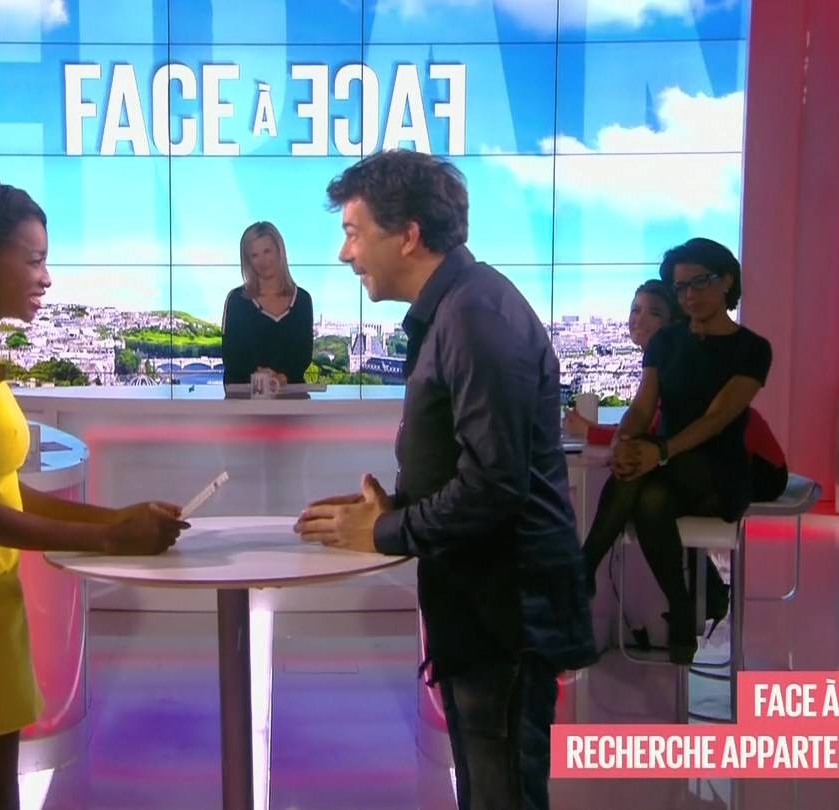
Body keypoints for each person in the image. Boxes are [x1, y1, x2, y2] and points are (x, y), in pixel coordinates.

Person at [294, 151, 593, 810]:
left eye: (354, 232)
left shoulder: (474, 317)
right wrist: (398, 507)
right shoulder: (460, 308)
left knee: (500, 792)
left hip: (505, 611)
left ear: (408, 235)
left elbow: (494, 485)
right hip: (482, 603)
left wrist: (388, 531)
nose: (345, 253)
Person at [0, 177, 191, 810]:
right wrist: (111, 540)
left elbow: (6, 491)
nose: (46, 278)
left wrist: (116, 518)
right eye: (34, 260)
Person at [579, 238, 773, 665]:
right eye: (680, 287)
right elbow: (642, 407)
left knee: (647, 483)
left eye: (698, 283)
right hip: (665, 468)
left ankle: (583, 568)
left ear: (726, 281)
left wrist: (658, 452)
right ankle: (680, 608)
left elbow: (717, 419)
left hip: (718, 473)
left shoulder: (752, 349)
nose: (688, 295)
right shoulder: (666, 342)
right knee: (649, 496)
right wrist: (624, 441)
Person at [564, 280, 788, 503]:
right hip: (711, 460)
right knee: (643, 485)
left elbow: (654, 433)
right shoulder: (662, 362)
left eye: (654, 313)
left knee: (641, 480)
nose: (639, 319)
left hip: (757, 467)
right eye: (636, 310)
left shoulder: (681, 366)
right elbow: (647, 424)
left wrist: (589, 430)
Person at [220, 221, 314, 385]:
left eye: (267, 251)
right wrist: (262, 378)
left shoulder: (302, 300)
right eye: (254, 255)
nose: (263, 261)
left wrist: (282, 378)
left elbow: (303, 356)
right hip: (244, 395)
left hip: (291, 393)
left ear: (279, 251)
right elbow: (232, 357)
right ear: (248, 260)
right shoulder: (237, 300)